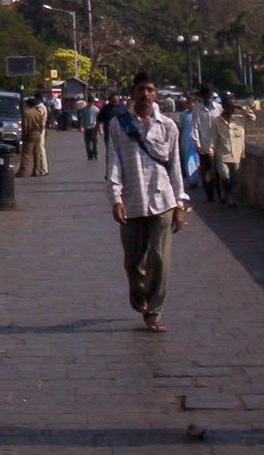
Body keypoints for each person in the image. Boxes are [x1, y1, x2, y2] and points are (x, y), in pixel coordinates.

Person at [106, 72, 188, 333]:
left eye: (150, 89)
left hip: (162, 199)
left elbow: (175, 166)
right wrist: (115, 198)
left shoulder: (168, 126)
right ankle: (138, 292)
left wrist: (180, 204)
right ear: (133, 92)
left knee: (159, 258)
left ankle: (154, 311)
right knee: (133, 261)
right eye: (140, 89)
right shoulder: (119, 125)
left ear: (156, 94)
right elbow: (114, 163)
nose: (145, 94)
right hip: (132, 200)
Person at [208, 98, 255, 207]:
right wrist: (211, 154)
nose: (232, 109)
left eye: (233, 107)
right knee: (225, 175)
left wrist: (242, 108)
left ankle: (229, 198)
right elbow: (213, 139)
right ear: (224, 107)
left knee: (234, 179)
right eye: (230, 107)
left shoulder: (239, 119)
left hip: (236, 155)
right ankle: (226, 194)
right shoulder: (217, 121)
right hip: (222, 155)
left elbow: (253, 118)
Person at [190, 86, 220, 201]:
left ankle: (218, 190)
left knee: (217, 170)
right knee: (206, 170)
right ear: (202, 97)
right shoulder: (197, 110)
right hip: (204, 145)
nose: (208, 98)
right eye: (206, 96)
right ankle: (209, 192)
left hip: (217, 144)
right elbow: (195, 128)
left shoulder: (218, 108)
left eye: (210, 96)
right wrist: (197, 143)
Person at [16, 97, 47, 176]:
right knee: (36, 153)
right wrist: (40, 132)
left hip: (30, 134)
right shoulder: (38, 112)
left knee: (26, 154)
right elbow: (41, 124)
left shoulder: (26, 113)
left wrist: (24, 135)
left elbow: (25, 126)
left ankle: (22, 171)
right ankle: (36, 170)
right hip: (37, 133)